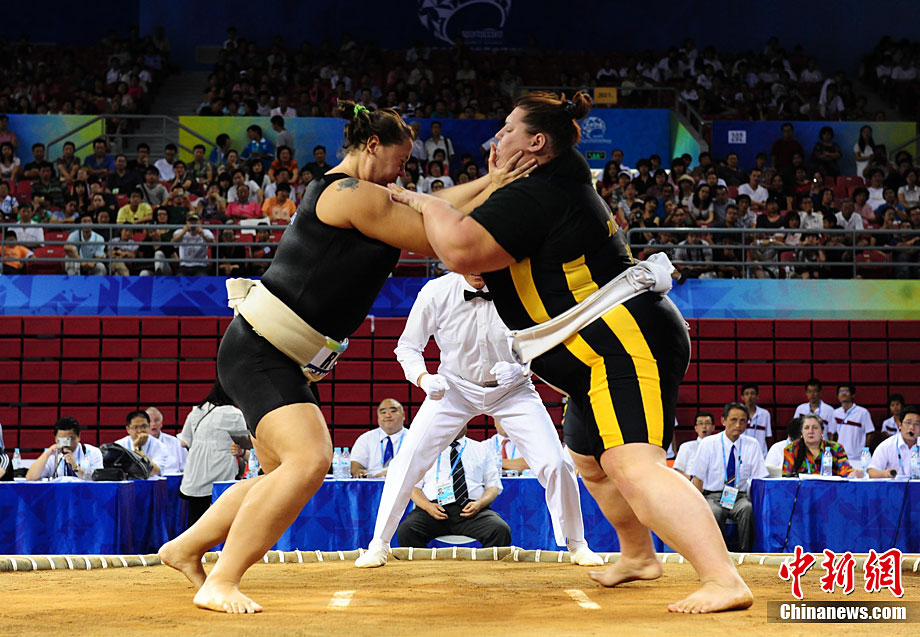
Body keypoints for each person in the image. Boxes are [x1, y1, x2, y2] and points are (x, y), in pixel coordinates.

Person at [158, 100, 531, 614]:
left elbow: (432, 206)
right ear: (372, 146)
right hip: (261, 350)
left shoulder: (365, 194)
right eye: (400, 160)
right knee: (309, 460)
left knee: (279, 476)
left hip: (276, 355)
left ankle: (184, 548)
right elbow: (437, 232)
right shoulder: (345, 194)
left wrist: (491, 183)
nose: (402, 173)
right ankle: (221, 580)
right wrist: (495, 188)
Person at [388, 90, 753, 613]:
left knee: (634, 465)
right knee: (591, 464)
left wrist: (424, 201)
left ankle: (722, 578)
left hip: (622, 342)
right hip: (585, 357)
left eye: (508, 129)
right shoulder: (534, 187)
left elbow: (460, 248)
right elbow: (469, 239)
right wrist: (475, 196)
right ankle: (638, 555)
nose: (496, 138)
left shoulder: (543, 191)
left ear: (537, 143)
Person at [356, 271, 602, 568]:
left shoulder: (523, 285)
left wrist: (523, 367)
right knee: (406, 460)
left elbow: (546, 338)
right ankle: (379, 543)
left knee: (556, 462)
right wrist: (423, 378)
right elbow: (408, 346)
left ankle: (577, 543)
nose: (477, 270)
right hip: (453, 388)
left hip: (513, 389)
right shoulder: (436, 291)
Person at [395, 427, 511, 548]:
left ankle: (487, 561)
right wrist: (427, 506)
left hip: (472, 510)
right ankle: (423, 561)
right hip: (433, 510)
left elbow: (493, 487)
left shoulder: (481, 449)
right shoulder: (425, 450)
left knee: (500, 530)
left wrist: (480, 504)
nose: (456, 424)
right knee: (406, 530)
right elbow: (413, 487)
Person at [690, 403, 768, 553]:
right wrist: (695, 505)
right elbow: (698, 478)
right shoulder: (708, 443)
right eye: (733, 420)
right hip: (713, 496)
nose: (738, 425)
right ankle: (717, 554)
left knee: (748, 509)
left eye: (742, 421)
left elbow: (759, 480)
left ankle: (746, 553)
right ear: (723, 421)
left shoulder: (752, 445)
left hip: (740, 496)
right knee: (714, 512)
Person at [178, 381, 249, 527]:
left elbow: (183, 442)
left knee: (195, 523)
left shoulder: (197, 410)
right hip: (221, 473)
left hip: (195, 475)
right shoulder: (235, 414)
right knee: (219, 523)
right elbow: (244, 444)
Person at [24, 417, 103, 481]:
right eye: (62, 440)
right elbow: (30, 477)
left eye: (70, 439)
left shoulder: (92, 452)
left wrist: (76, 468)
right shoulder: (51, 454)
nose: (66, 444)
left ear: (79, 437)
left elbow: (97, 480)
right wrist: (47, 453)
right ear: (55, 439)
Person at [782, 414, 856, 477]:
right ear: (802, 432)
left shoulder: (836, 448)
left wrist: (853, 474)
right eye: (806, 428)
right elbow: (786, 478)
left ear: (822, 432)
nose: (810, 431)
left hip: (831, 488)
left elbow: (846, 471)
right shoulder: (791, 449)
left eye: (815, 428)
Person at [350, 399, 409, 478]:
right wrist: (359, 473)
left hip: (406, 481)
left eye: (393, 411)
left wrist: (391, 474)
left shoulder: (413, 438)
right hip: (373, 482)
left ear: (403, 415)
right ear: (378, 417)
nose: (388, 415)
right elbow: (355, 467)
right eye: (383, 412)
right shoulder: (366, 439)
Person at [868, 405, 920, 478]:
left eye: (917, 424)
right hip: (893, 485)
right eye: (908, 423)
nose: (912, 427)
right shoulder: (886, 446)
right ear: (900, 425)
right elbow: (871, 472)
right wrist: (885, 474)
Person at [114, 410, 170, 475]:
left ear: (149, 426)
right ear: (128, 429)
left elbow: (156, 471)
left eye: (144, 426)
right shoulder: (118, 445)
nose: (140, 430)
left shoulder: (160, 446)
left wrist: (137, 449)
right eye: (135, 427)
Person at [828, 383, 875, 460]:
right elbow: (832, 433)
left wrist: (865, 450)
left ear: (852, 395)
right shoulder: (835, 413)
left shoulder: (863, 412)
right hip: (840, 455)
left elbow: (870, 432)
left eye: (846, 391)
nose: (843, 394)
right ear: (837, 396)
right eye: (841, 392)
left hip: (857, 456)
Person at [673, 411, 715, 479]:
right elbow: (677, 472)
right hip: (690, 482)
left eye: (707, 423)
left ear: (713, 427)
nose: (704, 426)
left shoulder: (719, 447)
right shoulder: (686, 447)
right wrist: (693, 480)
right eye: (700, 423)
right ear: (696, 428)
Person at [147, 406, 187, 473]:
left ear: (161, 423)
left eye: (156, 420)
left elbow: (187, 467)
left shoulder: (176, 443)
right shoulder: (138, 444)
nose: (153, 424)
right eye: (150, 421)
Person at [739, 384, 772, 457]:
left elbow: (768, 437)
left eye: (752, 393)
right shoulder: (738, 414)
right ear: (742, 397)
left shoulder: (765, 414)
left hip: (761, 454)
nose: (749, 396)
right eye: (746, 394)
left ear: (757, 396)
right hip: (742, 453)